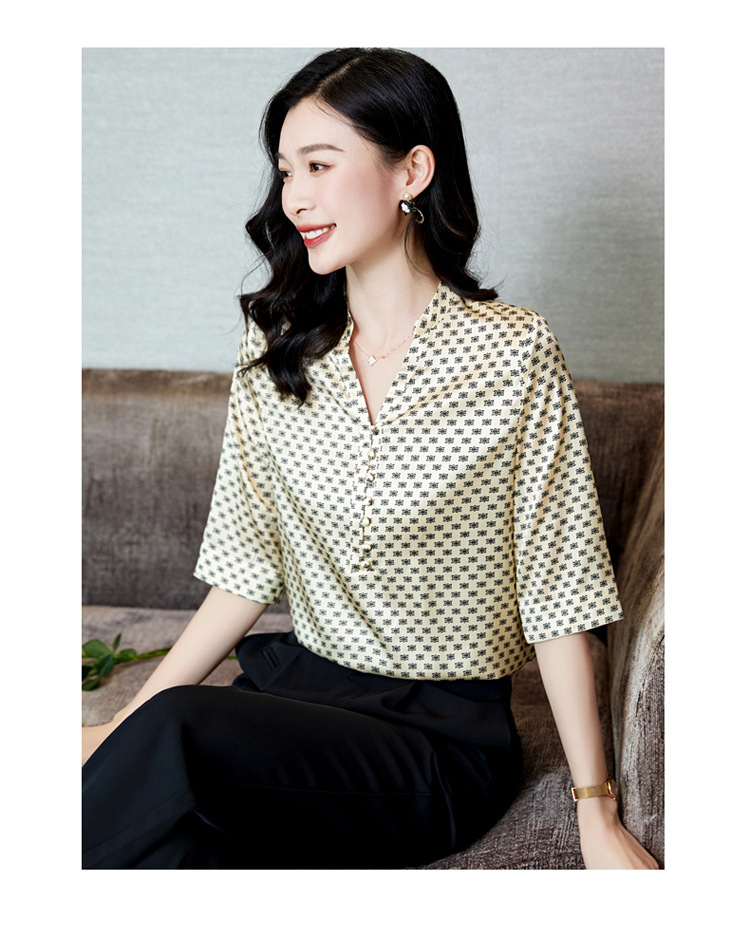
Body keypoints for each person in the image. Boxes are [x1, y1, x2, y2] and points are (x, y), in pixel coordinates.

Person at [81, 47, 659, 870]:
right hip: (298, 697)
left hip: (439, 741)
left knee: (176, 733)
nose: (295, 197)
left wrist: (595, 809)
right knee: (171, 847)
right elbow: (246, 566)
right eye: (287, 171)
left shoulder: (513, 354)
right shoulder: (279, 344)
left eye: (320, 164)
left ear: (411, 171)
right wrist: (119, 724)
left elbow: (560, 593)